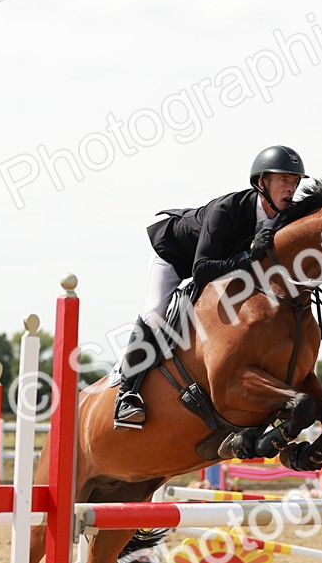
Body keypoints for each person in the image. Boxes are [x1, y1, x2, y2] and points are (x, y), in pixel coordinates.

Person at [114, 145, 308, 429]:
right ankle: (126, 396)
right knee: (155, 312)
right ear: (261, 182)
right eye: (283, 180)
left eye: (294, 181)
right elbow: (201, 269)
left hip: (222, 266)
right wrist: (247, 257)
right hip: (175, 257)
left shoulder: (284, 217)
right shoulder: (226, 210)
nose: (290, 188)